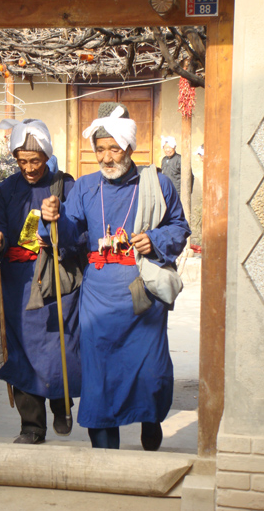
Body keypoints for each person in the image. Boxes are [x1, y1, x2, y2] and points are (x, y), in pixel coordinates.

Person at [40, 102, 191, 450]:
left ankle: (150, 420)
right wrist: (52, 219)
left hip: (142, 294)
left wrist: (154, 239)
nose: (107, 157)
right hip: (99, 295)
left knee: (150, 372)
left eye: (114, 148)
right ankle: (105, 453)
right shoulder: (86, 187)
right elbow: (69, 231)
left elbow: (180, 227)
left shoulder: (158, 183)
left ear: (129, 148)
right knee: (100, 377)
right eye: (100, 149)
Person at [0, 118, 82, 445]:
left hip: (55, 283)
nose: (29, 168)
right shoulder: (6, 190)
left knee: (58, 351)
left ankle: (61, 405)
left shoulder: (65, 186)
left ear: (47, 157)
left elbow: (82, 230)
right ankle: (31, 426)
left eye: (35, 161)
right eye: (22, 161)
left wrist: (58, 242)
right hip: (18, 284)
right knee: (21, 352)